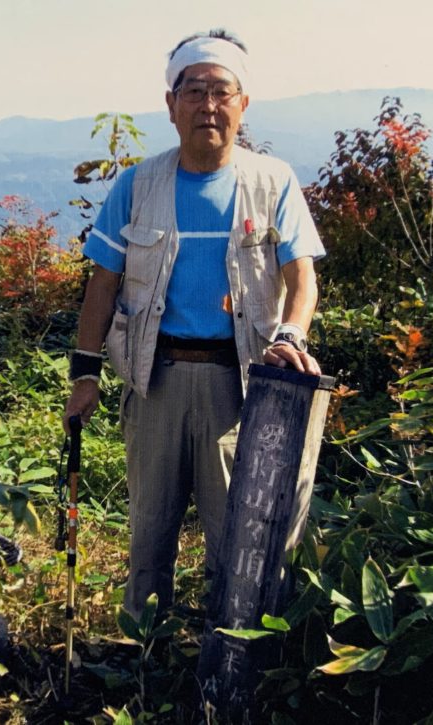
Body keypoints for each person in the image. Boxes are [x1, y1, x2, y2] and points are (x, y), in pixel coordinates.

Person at [63, 29, 326, 618]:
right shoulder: (137, 185)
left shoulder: (273, 182)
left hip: (241, 387)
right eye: (194, 90)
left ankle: (220, 660)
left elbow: (302, 279)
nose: (208, 105)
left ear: (243, 105)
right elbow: (101, 285)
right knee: (149, 531)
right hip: (154, 381)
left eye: (222, 92)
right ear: (171, 104)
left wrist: (290, 334)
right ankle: (144, 656)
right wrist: (85, 375)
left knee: (235, 534)